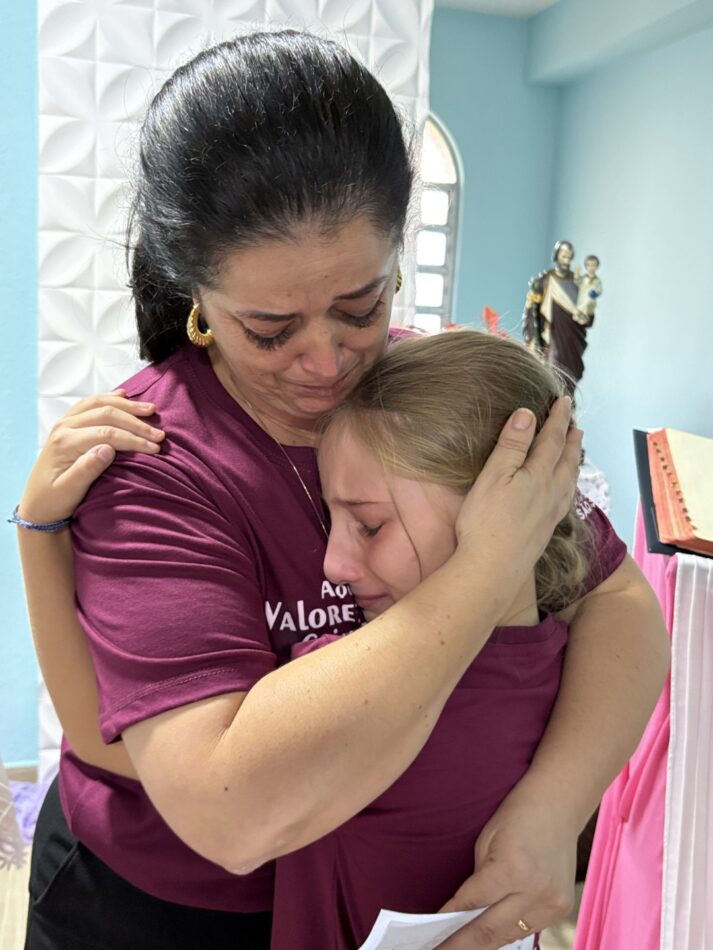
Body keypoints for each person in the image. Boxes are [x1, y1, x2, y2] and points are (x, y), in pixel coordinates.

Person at [14, 29, 669, 950]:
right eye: (270, 329)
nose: (326, 363)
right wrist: (481, 573)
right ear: (197, 298)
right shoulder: (152, 461)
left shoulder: (440, 399)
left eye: (361, 307)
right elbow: (230, 811)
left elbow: (618, 601)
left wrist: (550, 811)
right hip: (166, 913)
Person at [269, 329, 595, 949]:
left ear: (503, 509)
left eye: (368, 525)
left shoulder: (344, 686)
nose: (333, 565)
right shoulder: (568, 668)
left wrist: (43, 544)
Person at [522, 240, 589, 394]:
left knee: (569, 378)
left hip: (571, 339)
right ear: (557, 256)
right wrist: (533, 335)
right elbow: (533, 308)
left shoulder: (576, 282)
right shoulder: (546, 280)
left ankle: (567, 408)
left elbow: (585, 311)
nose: (566, 259)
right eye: (563, 255)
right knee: (554, 373)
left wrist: (586, 314)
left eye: (569, 256)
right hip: (552, 336)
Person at [575, 254, 603, 324]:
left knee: (589, 304)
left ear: (596, 266)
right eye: (589, 265)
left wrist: (596, 293)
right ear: (586, 267)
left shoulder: (597, 280)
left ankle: (585, 317)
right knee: (581, 307)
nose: (591, 268)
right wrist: (577, 274)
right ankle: (579, 316)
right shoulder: (584, 278)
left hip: (590, 298)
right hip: (582, 297)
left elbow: (599, 290)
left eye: (593, 265)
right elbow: (577, 282)